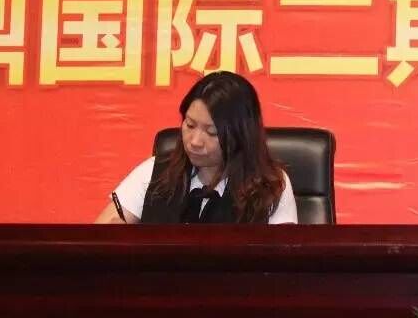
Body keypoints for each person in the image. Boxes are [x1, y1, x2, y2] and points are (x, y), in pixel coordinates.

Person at [95, 71, 298, 224]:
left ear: (241, 135)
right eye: (190, 125)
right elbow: (100, 238)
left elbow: (286, 262)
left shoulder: (270, 185)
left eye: (211, 132)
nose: (195, 141)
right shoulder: (155, 172)